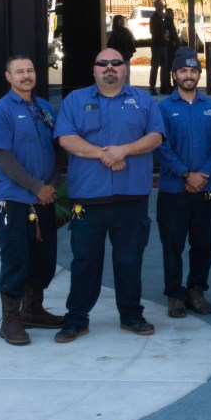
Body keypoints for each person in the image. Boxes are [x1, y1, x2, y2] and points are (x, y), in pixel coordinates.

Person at [53, 49, 164, 342]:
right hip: (88, 198)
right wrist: (105, 155)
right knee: (84, 261)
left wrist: (124, 150)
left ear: (125, 69)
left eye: (116, 63)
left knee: (129, 260)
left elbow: (155, 136)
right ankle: (76, 319)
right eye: (102, 63)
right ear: (94, 70)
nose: (109, 67)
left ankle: (131, 315)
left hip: (131, 196)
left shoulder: (143, 100)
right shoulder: (75, 100)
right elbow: (66, 139)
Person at [0, 55, 64, 345]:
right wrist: (35, 186)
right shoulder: (0, 111)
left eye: (30, 70)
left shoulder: (44, 108)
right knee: (16, 259)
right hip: (14, 199)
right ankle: (10, 321)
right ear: (8, 77)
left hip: (44, 198)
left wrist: (52, 185)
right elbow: (2, 155)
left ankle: (33, 310)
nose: (26, 75)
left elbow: (58, 148)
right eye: (19, 71)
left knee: (43, 259)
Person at [155, 48, 211, 319]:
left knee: (203, 244)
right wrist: (186, 175)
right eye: (183, 71)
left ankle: (196, 291)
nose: (188, 75)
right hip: (173, 190)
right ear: (174, 74)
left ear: (199, 74)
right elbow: (161, 147)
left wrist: (202, 175)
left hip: (205, 190)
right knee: (172, 245)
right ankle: (175, 294)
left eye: (193, 71)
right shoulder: (164, 108)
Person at [149, 0, 172, 95]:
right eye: (160, 6)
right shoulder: (153, 18)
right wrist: (163, 35)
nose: (162, 7)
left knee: (164, 67)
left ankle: (164, 87)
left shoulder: (162, 17)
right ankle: (152, 87)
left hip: (163, 45)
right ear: (156, 6)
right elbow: (153, 31)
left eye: (162, 6)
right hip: (157, 45)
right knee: (155, 67)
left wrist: (166, 33)